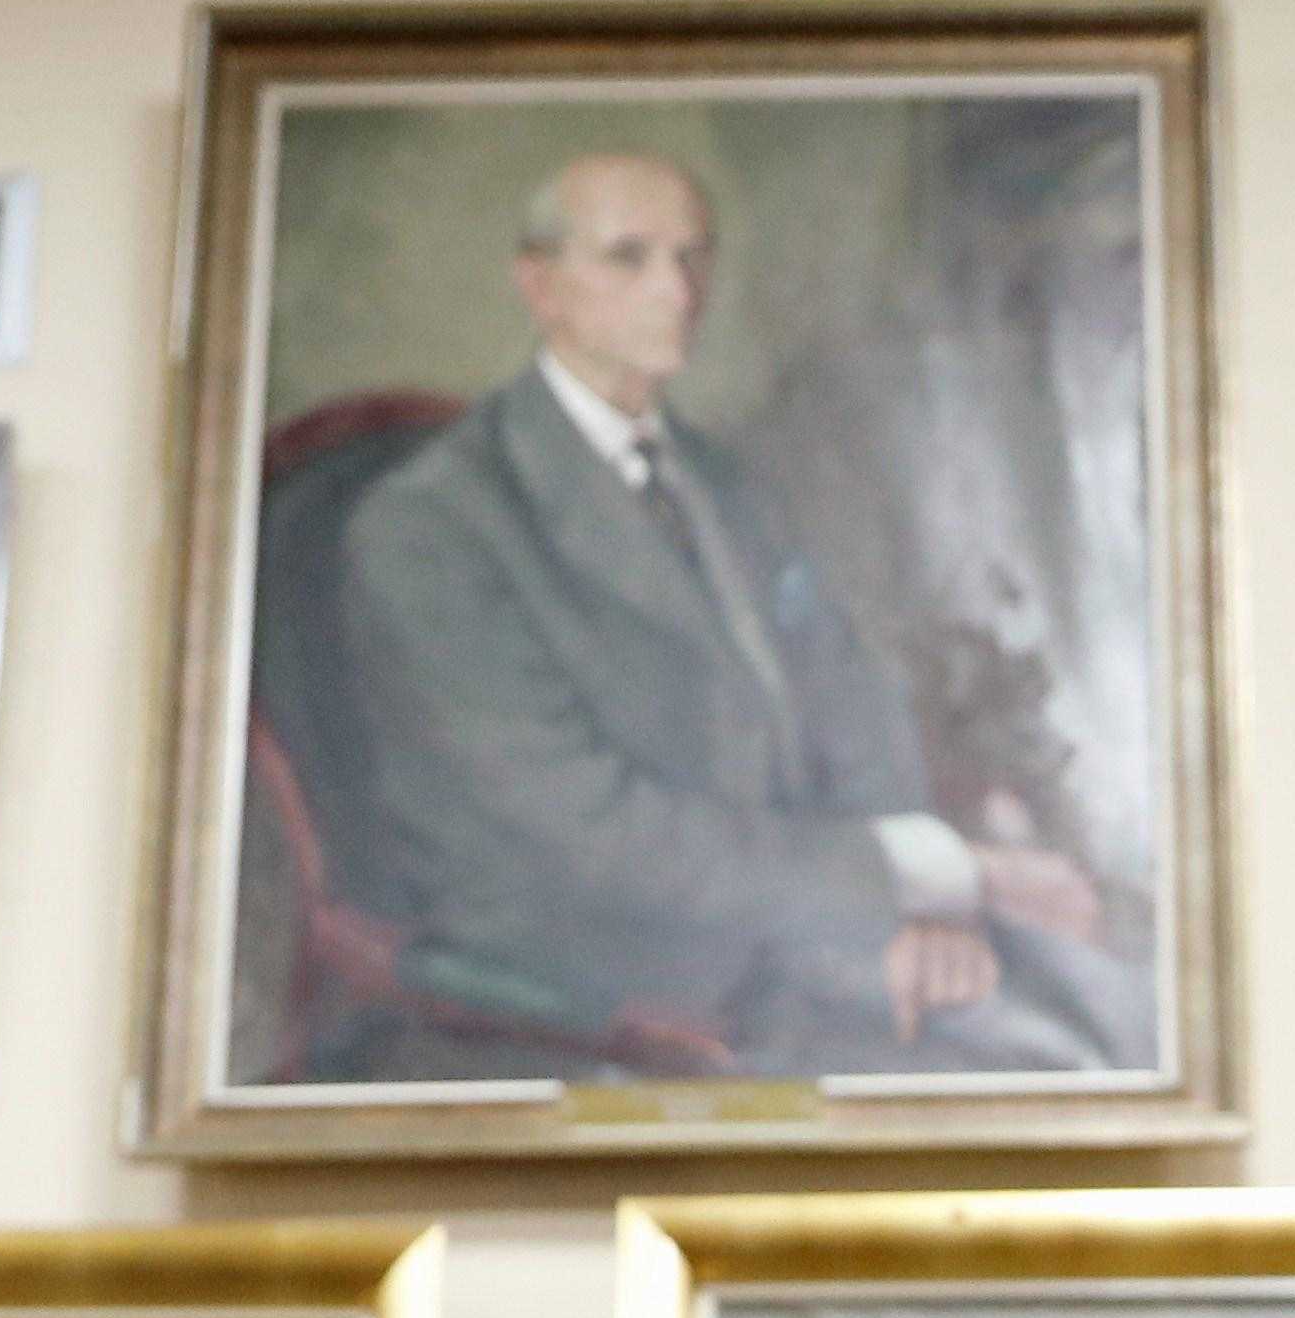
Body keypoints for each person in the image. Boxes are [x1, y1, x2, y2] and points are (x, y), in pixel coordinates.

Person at [323, 148, 1115, 1078]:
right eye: (630, 258)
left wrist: (920, 906)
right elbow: (591, 832)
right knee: (1022, 1069)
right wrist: (928, 873)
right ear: (541, 288)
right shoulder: (433, 525)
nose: (678, 291)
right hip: (591, 982)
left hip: (789, 932)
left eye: (693, 257)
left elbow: (844, 694)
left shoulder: (717, 479)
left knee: (1088, 1032)